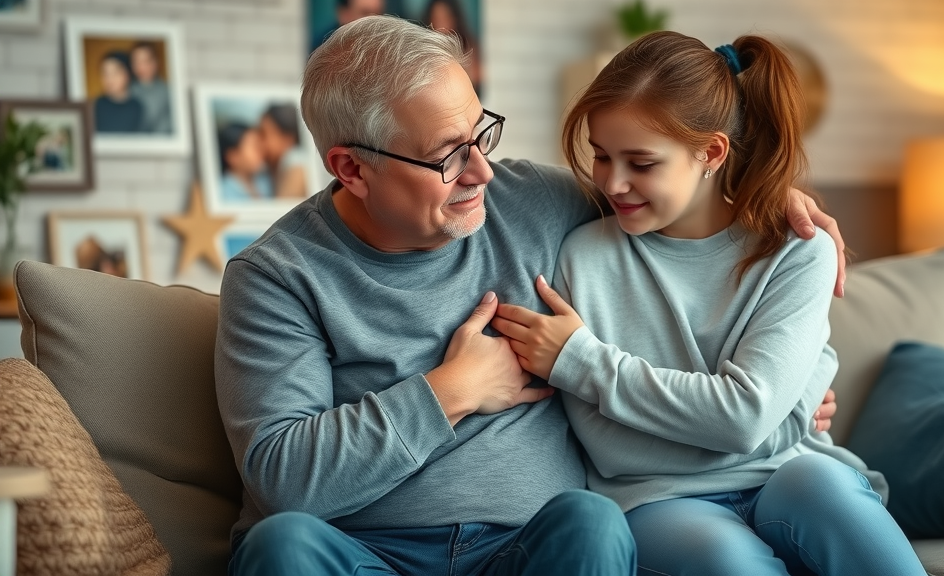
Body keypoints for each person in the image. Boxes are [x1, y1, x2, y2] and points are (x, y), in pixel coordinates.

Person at [215, 16, 844, 576]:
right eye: (446, 157)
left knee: (592, 523)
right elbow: (282, 478)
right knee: (282, 546)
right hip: (361, 552)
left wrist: (771, 204)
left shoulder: (534, 203)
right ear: (351, 169)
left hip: (528, 548)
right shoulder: (276, 277)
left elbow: (673, 193)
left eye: (480, 134)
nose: (483, 171)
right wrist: (451, 392)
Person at [490, 32, 925, 576]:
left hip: (789, 472)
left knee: (823, 486)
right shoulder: (581, 256)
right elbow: (613, 448)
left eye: (642, 163)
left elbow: (743, 421)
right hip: (656, 499)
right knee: (724, 558)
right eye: (602, 156)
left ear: (711, 153)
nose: (614, 182)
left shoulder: (798, 250)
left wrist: (583, 362)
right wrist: (757, 416)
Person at [423, 0, 482, 94]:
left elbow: (477, 79)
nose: (440, 24)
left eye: (444, 17)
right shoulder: (424, 49)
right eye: (436, 18)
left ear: (454, 18)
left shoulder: (468, 47)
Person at [257, 104, 307, 198]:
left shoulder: (295, 161)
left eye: (263, 134)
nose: (258, 142)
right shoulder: (267, 170)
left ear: (287, 139)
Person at [218, 122, 273, 201]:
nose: (262, 150)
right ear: (233, 156)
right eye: (255, 147)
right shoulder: (224, 194)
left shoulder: (265, 181)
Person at [93, 51, 143, 133]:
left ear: (127, 74)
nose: (109, 79)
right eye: (105, 73)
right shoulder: (95, 106)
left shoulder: (137, 107)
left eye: (115, 72)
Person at [129, 41, 173, 134]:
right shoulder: (127, 90)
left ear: (156, 62)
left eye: (145, 61)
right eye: (136, 62)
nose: (141, 67)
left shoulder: (168, 92)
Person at [309, 0, 384, 53]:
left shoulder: (385, 45)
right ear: (344, 14)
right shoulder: (323, 50)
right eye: (365, 13)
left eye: (378, 13)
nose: (375, 21)